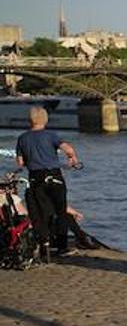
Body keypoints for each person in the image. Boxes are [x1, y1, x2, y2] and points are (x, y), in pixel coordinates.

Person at [14, 106, 79, 262]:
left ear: (30, 120)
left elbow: (20, 162)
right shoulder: (52, 136)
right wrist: (72, 157)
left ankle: (44, 243)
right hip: (54, 177)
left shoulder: (23, 138)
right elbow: (68, 149)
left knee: (39, 213)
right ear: (45, 119)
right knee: (60, 211)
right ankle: (62, 247)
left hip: (36, 179)